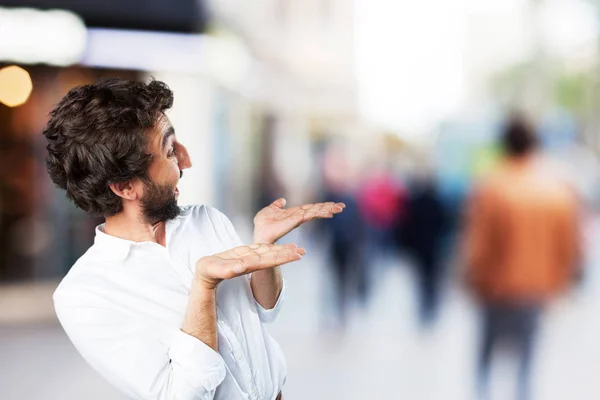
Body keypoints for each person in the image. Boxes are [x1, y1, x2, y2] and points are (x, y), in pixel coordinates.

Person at [43, 78, 345, 400]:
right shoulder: (85, 296)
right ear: (125, 187)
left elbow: (265, 311)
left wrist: (264, 245)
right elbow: (182, 395)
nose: (186, 160)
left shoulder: (205, 219)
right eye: (170, 150)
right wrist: (204, 287)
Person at [463, 114, 580, 400]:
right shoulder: (556, 190)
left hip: (495, 288)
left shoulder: (491, 186)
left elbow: (478, 244)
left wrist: (471, 279)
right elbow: (568, 247)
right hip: (536, 289)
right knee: (527, 361)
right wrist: (560, 285)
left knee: (486, 356)